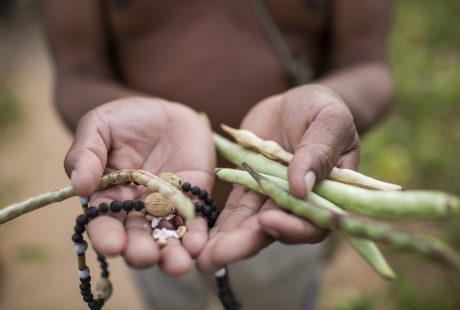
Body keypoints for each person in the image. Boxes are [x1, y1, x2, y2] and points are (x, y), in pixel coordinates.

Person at [43, 0, 394, 309]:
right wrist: (108, 114)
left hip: (283, 205)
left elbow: (369, 64)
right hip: (150, 221)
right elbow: (77, 72)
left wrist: (328, 109)